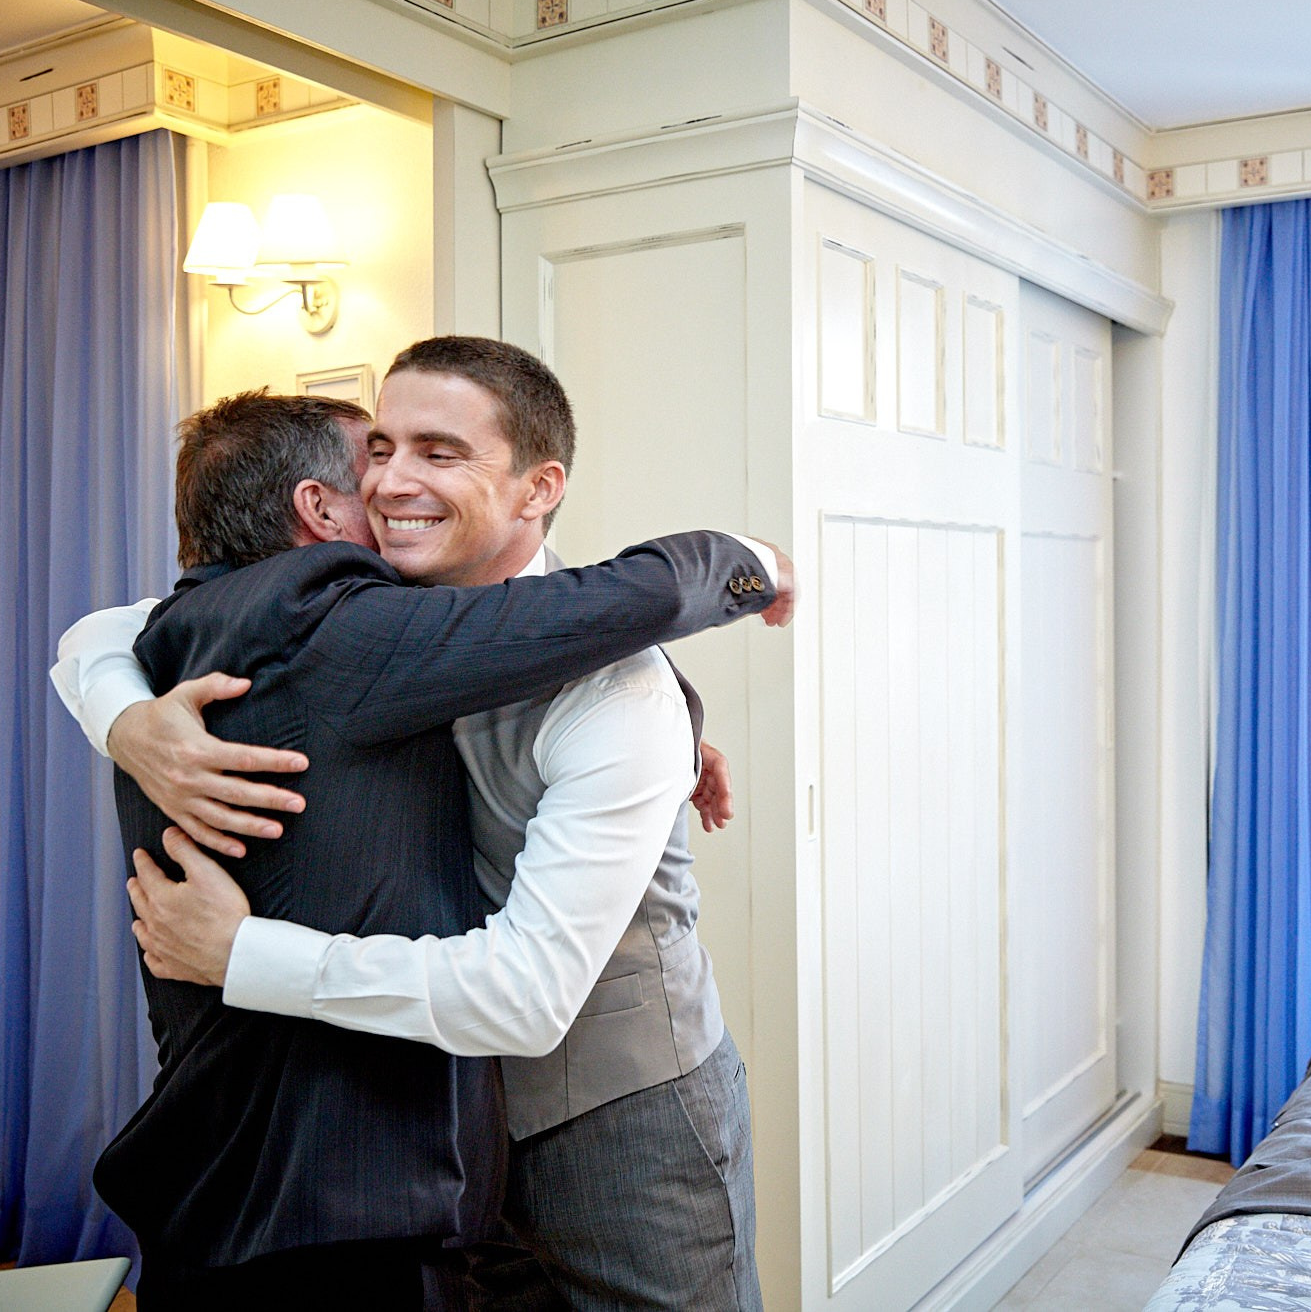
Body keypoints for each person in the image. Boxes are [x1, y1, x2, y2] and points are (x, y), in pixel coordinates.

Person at [56, 338, 776, 1310]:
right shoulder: (353, 617)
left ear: (535, 488)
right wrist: (126, 716)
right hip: (435, 1131)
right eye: (380, 450)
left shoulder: (620, 690)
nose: (393, 481)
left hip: (616, 1118)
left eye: (438, 453)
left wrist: (242, 954)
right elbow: (120, 623)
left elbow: (526, 996)